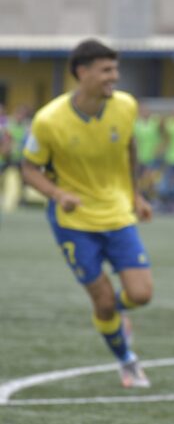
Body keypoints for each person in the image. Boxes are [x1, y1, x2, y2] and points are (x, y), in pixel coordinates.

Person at [20, 39, 153, 388]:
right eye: (106, 70)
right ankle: (127, 360)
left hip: (118, 213)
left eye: (116, 69)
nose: (115, 77)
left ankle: (117, 313)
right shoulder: (49, 120)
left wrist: (136, 195)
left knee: (141, 295)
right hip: (74, 223)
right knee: (104, 302)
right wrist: (57, 193)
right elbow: (29, 169)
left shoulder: (125, 107)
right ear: (82, 72)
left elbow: (129, 146)